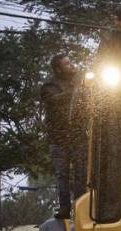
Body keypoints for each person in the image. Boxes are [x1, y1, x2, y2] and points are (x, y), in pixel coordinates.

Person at [40, 54, 86, 219]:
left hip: (78, 134)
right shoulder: (49, 86)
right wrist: (75, 92)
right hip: (58, 138)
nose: (72, 65)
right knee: (62, 174)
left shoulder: (80, 81)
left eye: (70, 62)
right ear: (58, 69)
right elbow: (53, 101)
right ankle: (65, 208)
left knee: (82, 172)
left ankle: (81, 206)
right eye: (67, 64)